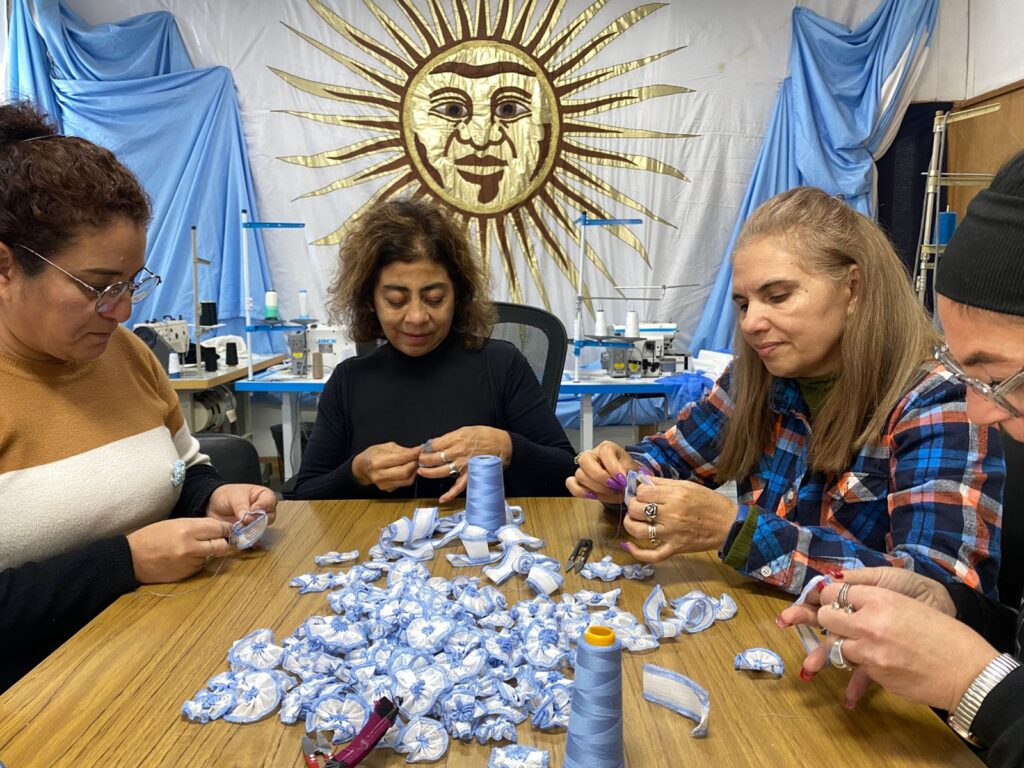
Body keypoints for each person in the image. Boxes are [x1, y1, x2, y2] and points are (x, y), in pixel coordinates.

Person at [569, 186, 1005, 595]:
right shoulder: (752, 379)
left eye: (777, 296)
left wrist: (734, 530)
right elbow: (670, 459)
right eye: (743, 304)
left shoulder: (935, 401)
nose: (750, 323)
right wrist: (623, 476)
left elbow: (938, 588)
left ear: (853, 289)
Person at [0, 102, 277, 693]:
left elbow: (181, 473)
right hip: (34, 698)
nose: (123, 312)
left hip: (162, 653)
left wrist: (213, 497)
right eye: (98, 287)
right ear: (4, 267)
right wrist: (121, 565)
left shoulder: (123, 355)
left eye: (131, 284)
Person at [779, 151, 1024, 766]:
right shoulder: (756, 382)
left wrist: (974, 680)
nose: (978, 412)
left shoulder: (923, 406)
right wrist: (950, 612)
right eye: (964, 374)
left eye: (1001, 380)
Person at [288, 197, 575, 502]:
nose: (416, 317)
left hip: (487, 545)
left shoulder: (502, 366)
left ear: (458, 295)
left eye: (435, 298)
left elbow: (569, 474)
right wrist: (356, 472)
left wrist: (510, 448)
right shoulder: (349, 381)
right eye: (396, 300)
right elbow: (304, 495)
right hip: (376, 546)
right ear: (370, 301)